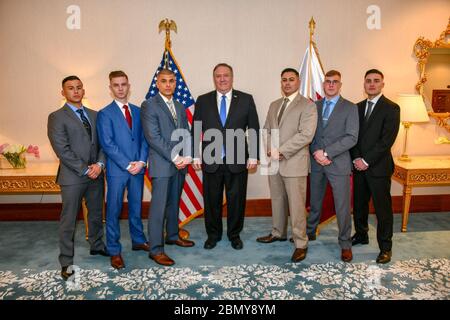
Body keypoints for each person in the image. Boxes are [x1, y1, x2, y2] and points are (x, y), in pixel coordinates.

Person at [192, 63, 260, 250]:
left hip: (238, 160)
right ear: (213, 78)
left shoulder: (246, 99)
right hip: (210, 159)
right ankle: (213, 235)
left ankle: (234, 235)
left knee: (236, 200)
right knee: (211, 200)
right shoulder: (203, 100)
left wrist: (253, 155)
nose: (222, 79)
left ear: (232, 77)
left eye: (226, 75)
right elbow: (196, 129)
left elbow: (253, 128)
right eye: (218, 76)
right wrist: (194, 155)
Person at [47, 75, 107, 281]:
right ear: (63, 92)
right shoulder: (56, 117)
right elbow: (61, 150)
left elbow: (103, 145)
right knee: (69, 220)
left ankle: (97, 246)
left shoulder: (95, 115)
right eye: (70, 88)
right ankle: (66, 261)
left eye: (79, 87)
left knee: (97, 213)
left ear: (84, 90)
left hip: (96, 175)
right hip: (73, 176)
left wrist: (99, 165)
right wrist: (84, 169)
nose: (75, 91)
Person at [256, 68, 317, 263]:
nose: (287, 83)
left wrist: (281, 151)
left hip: (294, 162)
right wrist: (268, 150)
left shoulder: (307, 106)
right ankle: (278, 232)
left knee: (297, 206)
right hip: (273, 162)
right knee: (277, 199)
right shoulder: (274, 105)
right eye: (284, 80)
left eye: (291, 79)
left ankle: (301, 243)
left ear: (298, 82)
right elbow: (266, 129)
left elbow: (306, 135)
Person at [141, 68, 194, 267]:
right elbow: (153, 137)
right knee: (158, 207)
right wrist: (175, 157)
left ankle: (173, 235)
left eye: (172, 81)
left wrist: (187, 156)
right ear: (157, 83)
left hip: (180, 165)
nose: (168, 84)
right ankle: (155, 249)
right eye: (164, 81)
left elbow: (186, 133)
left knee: (174, 202)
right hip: (163, 164)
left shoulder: (180, 106)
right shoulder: (149, 105)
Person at [97, 70, 150, 270]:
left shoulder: (138, 111)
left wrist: (142, 162)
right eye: (116, 85)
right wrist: (128, 164)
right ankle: (114, 249)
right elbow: (107, 144)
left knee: (136, 207)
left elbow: (144, 140)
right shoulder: (105, 113)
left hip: (138, 169)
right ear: (110, 88)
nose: (120, 88)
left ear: (129, 86)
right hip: (118, 171)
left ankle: (138, 240)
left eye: (124, 84)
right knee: (113, 210)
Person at [307, 70, 359, 262]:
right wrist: (316, 152)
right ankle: (310, 231)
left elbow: (352, 137)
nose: (331, 85)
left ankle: (345, 243)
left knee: (342, 206)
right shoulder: (314, 106)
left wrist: (327, 153)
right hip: (316, 161)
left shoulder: (350, 108)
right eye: (327, 82)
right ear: (323, 85)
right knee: (315, 201)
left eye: (334, 82)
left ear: (340, 85)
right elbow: (309, 133)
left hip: (338, 163)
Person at [350, 69, 400, 264]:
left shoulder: (392, 108)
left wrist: (366, 160)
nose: (372, 84)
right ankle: (361, 234)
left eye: (376, 81)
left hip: (378, 168)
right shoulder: (357, 107)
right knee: (359, 205)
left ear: (382, 84)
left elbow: (386, 140)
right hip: (358, 166)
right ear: (364, 84)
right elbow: (352, 137)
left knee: (382, 210)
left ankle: (385, 247)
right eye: (368, 81)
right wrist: (356, 159)